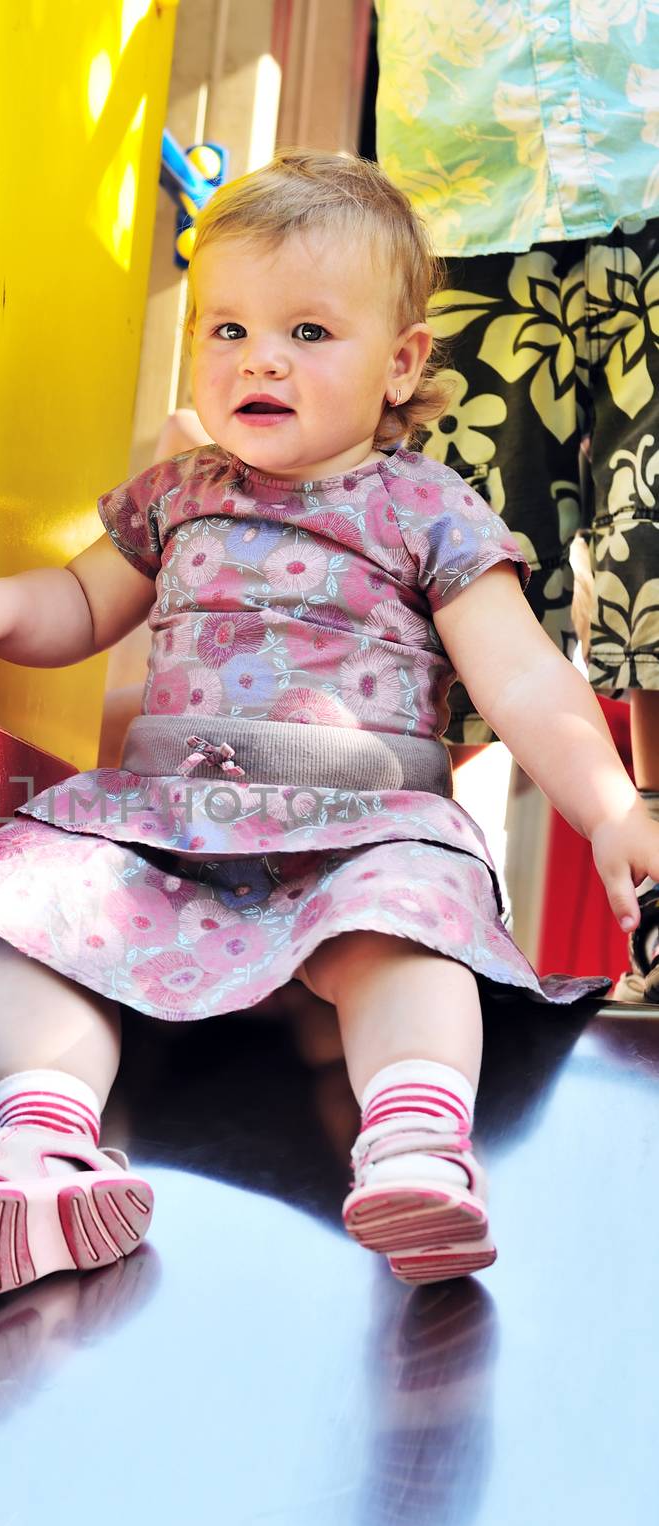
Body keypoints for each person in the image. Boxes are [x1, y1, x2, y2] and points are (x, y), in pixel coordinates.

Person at [0, 151, 657, 1304]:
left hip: (356, 840)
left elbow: (524, 680)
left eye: (305, 331)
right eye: (227, 329)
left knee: (410, 919)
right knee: (38, 899)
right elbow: (85, 604)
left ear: (398, 367)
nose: (260, 359)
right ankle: (40, 1141)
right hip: (170, 838)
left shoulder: (424, 508)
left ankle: (412, 1137)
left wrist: (607, 808)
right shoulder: (178, 491)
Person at [373, 0, 659, 999]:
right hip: (467, 181)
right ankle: (402, 896)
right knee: (451, 567)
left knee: (655, 560)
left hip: (646, 149)